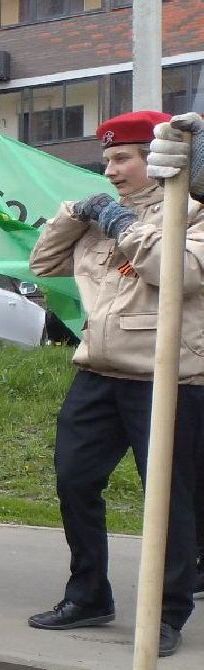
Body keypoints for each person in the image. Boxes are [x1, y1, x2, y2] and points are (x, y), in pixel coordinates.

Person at [28, 111, 204, 657]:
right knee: (74, 480)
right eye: (105, 160)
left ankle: (167, 611)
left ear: (155, 160)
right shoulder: (104, 216)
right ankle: (88, 594)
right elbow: (44, 261)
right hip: (98, 373)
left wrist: (122, 225)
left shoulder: (193, 213)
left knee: (168, 501)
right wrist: (74, 212)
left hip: (167, 378)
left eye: (122, 158)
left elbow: (179, 272)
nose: (110, 171)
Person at [150, 110, 204, 601]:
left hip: (187, 370)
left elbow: (179, 269)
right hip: (124, 366)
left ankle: (172, 604)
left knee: (177, 492)